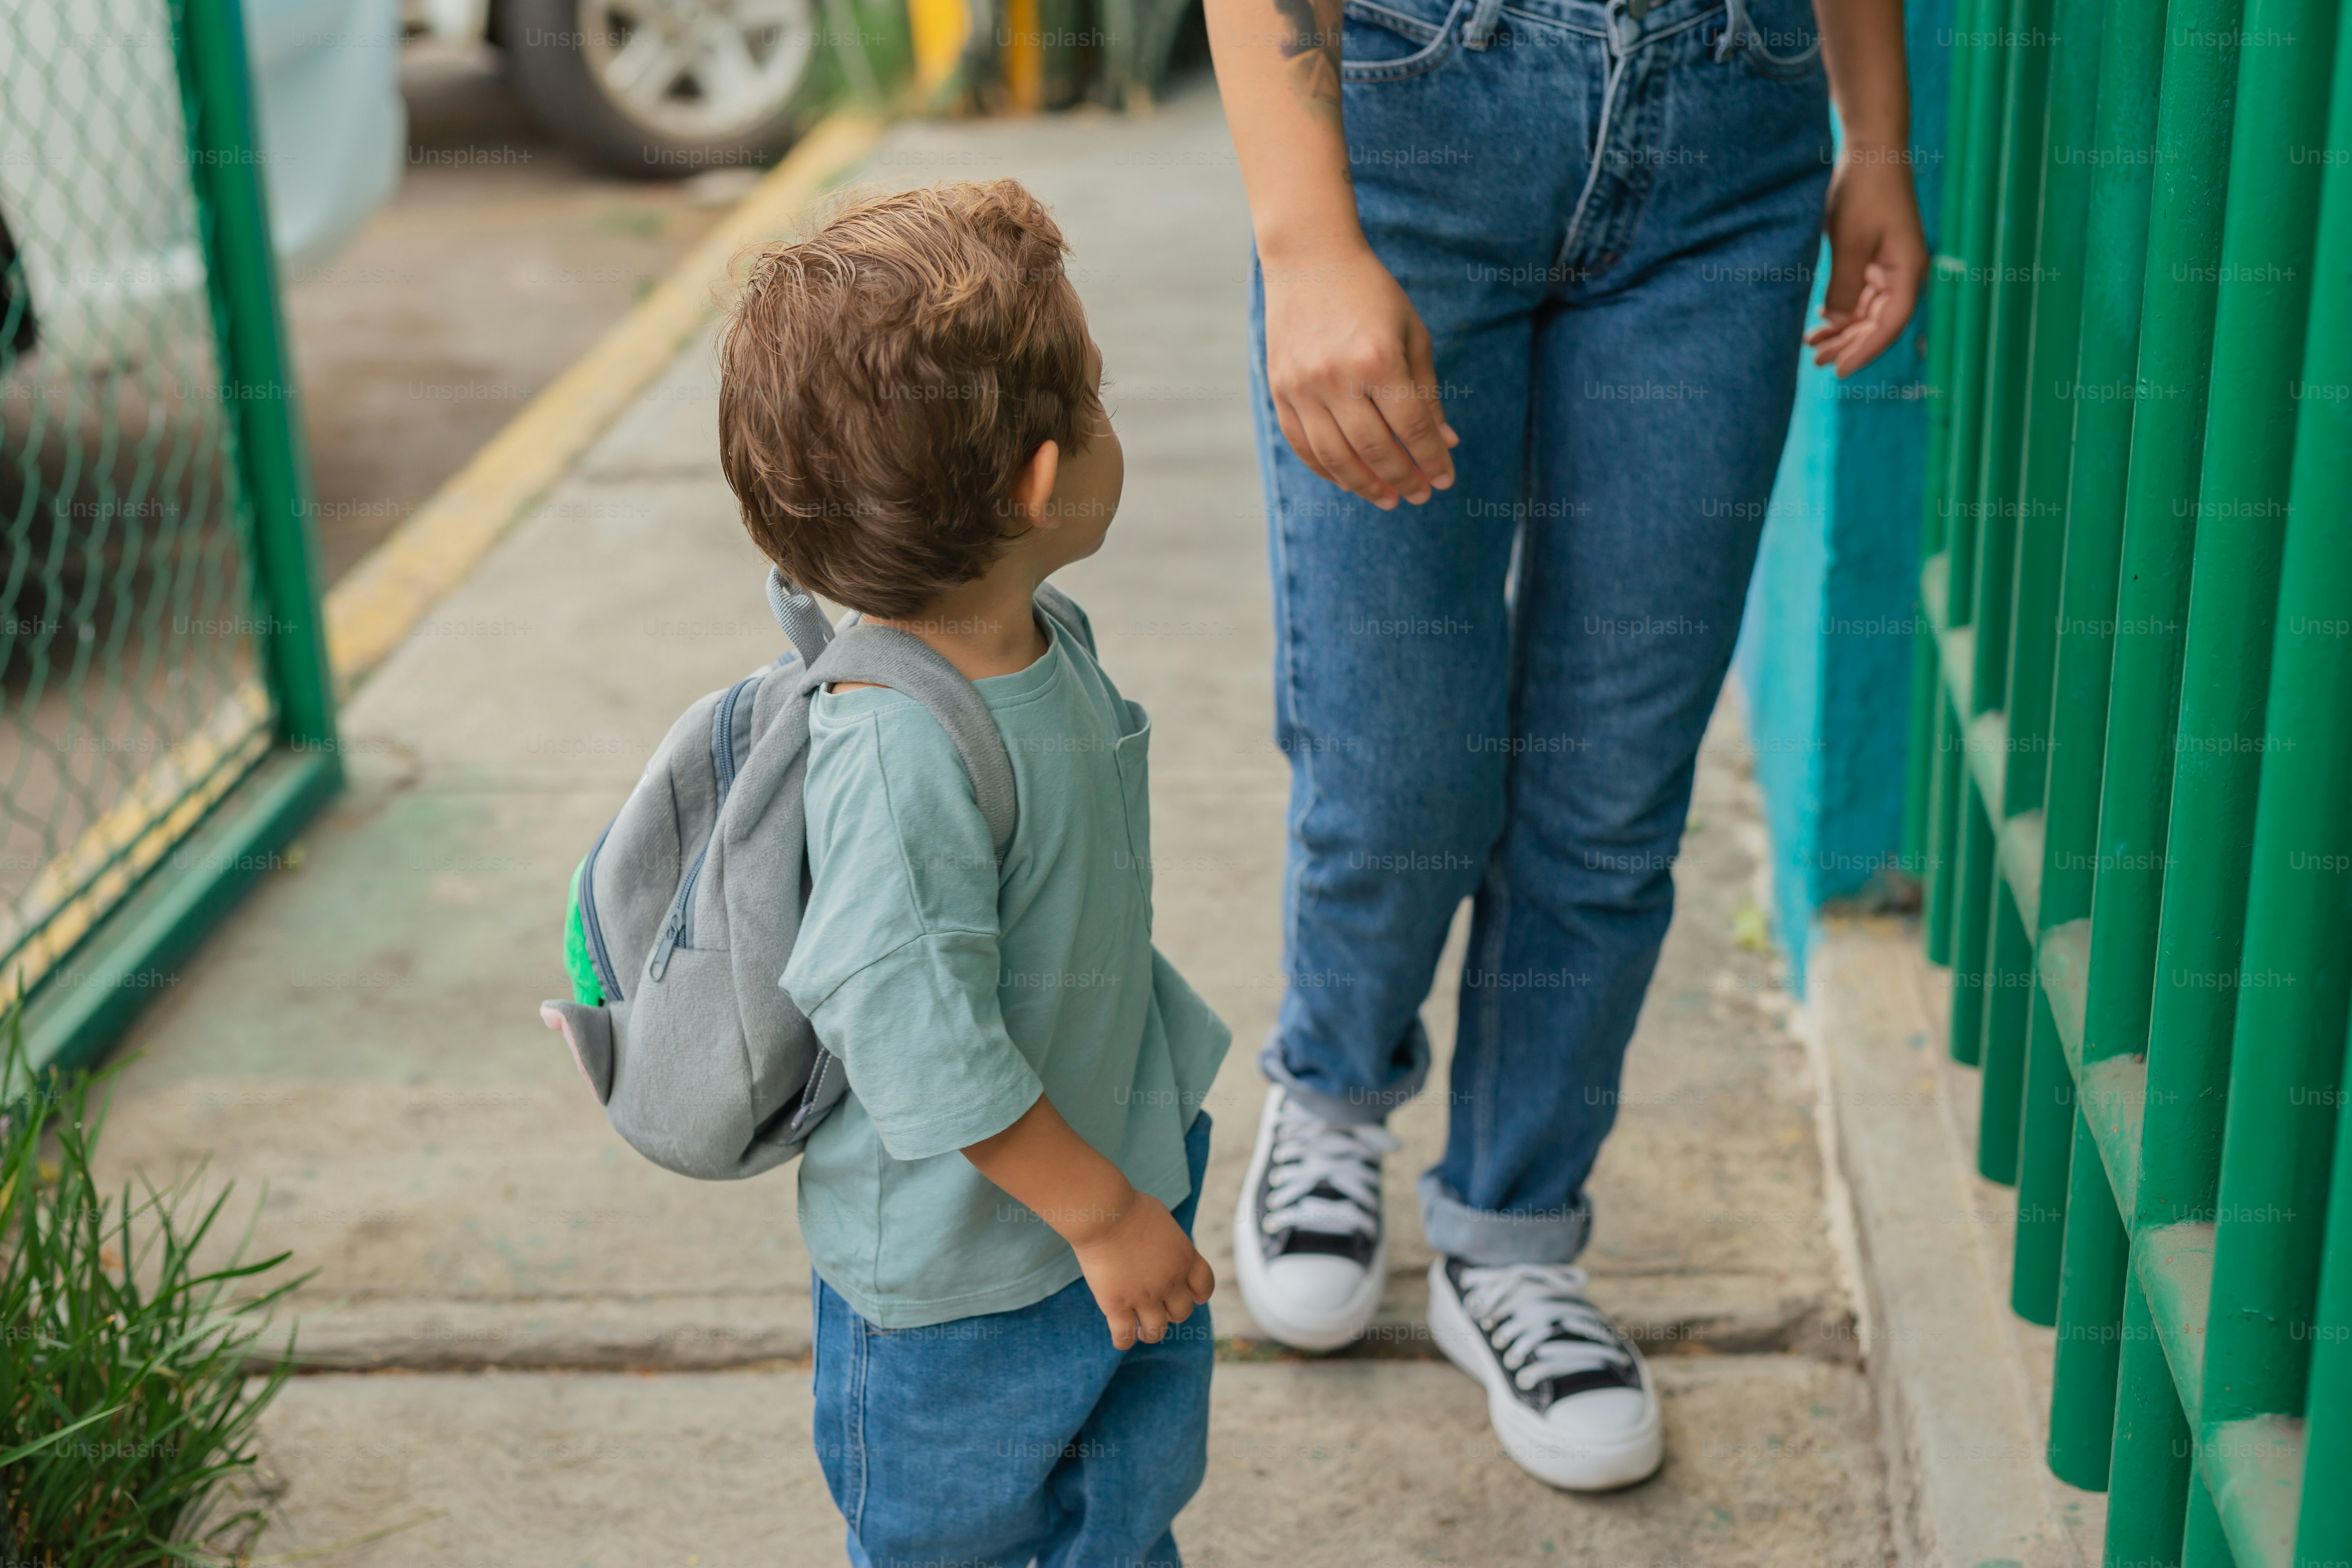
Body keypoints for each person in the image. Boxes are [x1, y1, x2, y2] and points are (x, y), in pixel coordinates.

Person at [1205, 0, 1926, 1490]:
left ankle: (1515, 1236)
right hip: (1417, 112)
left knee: (1614, 780)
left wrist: (1881, 134)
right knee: (1401, 753)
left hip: (1733, 134)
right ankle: (1333, 1089)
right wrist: (1303, 239)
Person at [716, 181, 1232, 1565]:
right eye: (1102, 401)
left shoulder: (1044, 637)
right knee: (964, 1539)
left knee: (1118, 1511)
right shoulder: (894, 748)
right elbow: (919, 1039)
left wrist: (1131, 1195)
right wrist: (1106, 1216)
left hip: (1111, 1185)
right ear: (1041, 483)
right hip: (970, 1280)